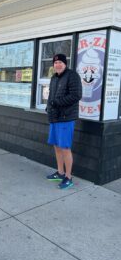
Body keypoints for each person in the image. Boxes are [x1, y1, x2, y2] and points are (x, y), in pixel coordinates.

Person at [46, 53, 82, 189]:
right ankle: (60, 173)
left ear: (65, 63)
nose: (57, 65)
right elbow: (51, 96)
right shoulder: (54, 78)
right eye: (55, 63)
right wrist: (48, 106)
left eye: (60, 62)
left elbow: (76, 95)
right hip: (54, 117)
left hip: (66, 118)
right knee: (56, 146)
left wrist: (56, 102)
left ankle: (68, 177)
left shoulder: (72, 76)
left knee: (65, 148)